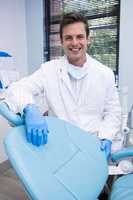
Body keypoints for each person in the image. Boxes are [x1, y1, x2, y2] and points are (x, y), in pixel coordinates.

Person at [2, 12, 121, 159]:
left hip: (92, 146)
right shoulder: (49, 70)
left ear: (88, 39)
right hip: (59, 148)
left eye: (80, 37)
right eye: (68, 38)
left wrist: (107, 137)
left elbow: (113, 112)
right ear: (61, 41)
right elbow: (18, 88)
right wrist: (30, 108)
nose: (74, 43)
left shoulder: (105, 73)